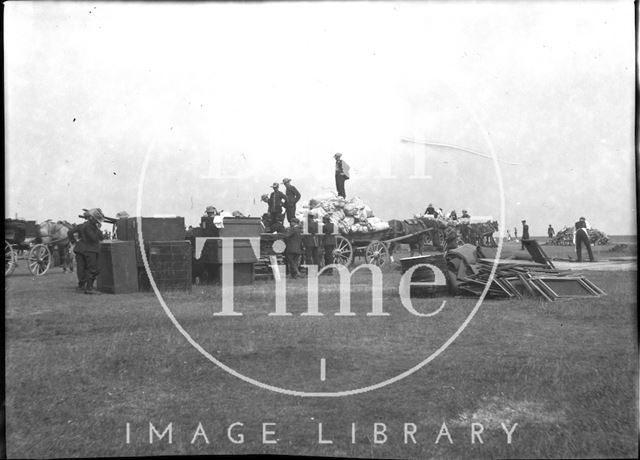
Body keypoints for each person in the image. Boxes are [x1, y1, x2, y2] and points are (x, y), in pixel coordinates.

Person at [69, 208, 105, 294]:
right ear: (92, 218)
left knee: (81, 268)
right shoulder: (91, 227)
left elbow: (70, 232)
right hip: (91, 250)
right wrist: (98, 230)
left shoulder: (81, 225)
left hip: (80, 249)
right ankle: (89, 288)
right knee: (93, 269)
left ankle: (81, 285)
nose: (98, 221)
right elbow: (95, 238)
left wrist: (74, 241)